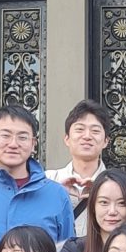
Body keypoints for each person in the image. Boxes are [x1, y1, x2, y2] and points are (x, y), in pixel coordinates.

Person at [0, 103, 75, 244]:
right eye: (5, 135)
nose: (13, 144)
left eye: (22, 137)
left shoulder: (57, 194)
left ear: (33, 144)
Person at [46, 99, 110, 238]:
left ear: (106, 141)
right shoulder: (48, 181)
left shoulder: (117, 186)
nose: (87, 136)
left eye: (95, 130)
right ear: (67, 139)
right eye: (80, 129)